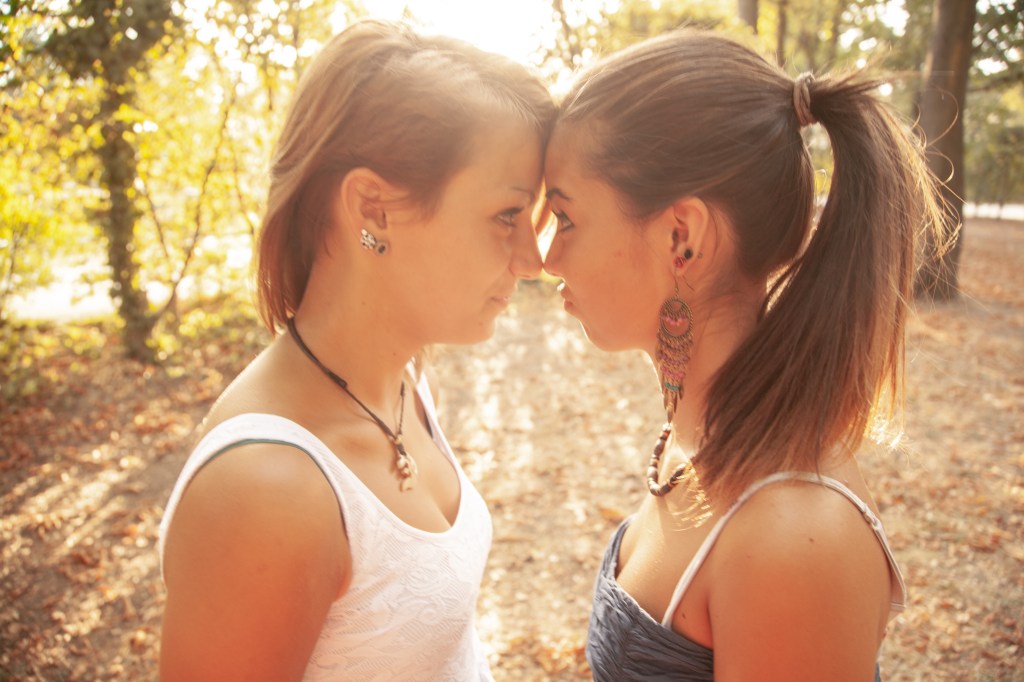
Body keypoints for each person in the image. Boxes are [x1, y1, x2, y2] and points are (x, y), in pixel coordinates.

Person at [158, 19, 554, 681]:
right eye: (507, 216)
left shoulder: (403, 381)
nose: (533, 261)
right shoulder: (266, 491)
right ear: (372, 207)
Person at [542, 29, 943, 681]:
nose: (545, 258)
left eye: (565, 219)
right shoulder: (703, 434)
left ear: (682, 236)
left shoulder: (793, 537)